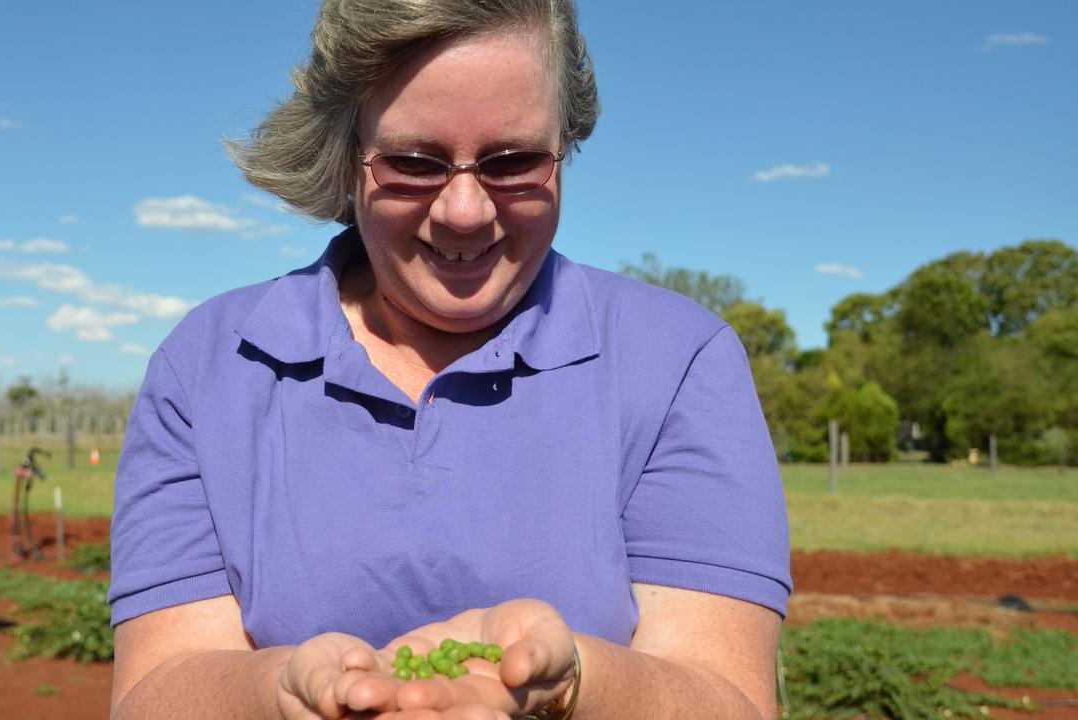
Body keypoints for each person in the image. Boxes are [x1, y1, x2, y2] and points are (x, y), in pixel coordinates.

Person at [108, 1, 791, 718]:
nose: (465, 210)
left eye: (513, 161)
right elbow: (153, 689)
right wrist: (277, 691)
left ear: (566, 149)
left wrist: (575, 681)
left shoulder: (679, 361)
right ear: (347, 157)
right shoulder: (210, 365)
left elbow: (728, 697)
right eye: (412, 162)